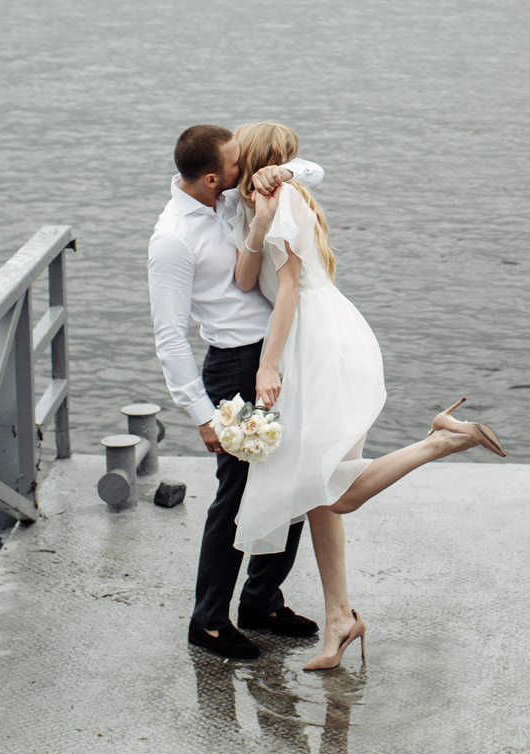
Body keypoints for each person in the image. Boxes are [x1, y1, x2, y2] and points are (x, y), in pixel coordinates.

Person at [228, 122, 505, 672]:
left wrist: (267, 365)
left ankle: (439, 442)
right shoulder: (264, 205)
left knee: (334, 493)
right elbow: (243, 280)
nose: (232, 161)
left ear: (256, 157)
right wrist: (256, 223)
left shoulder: (286, 199)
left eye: (239, 153)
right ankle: (339, 618)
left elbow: (287, 289)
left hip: (319, 347)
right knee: (320, 491)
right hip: (322, 339)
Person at [148, 123, 325, 660]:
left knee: (290, 481)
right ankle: (207, 621)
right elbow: (169, 338)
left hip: (278, 355)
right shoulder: (172, 241)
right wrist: (202, 414)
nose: (243, 167)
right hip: (235, 367)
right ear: (210, 178)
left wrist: (283, 170)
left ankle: (261, 601)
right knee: (236, 496)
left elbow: (312, 170)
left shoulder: (227, 197)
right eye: (234, 163)